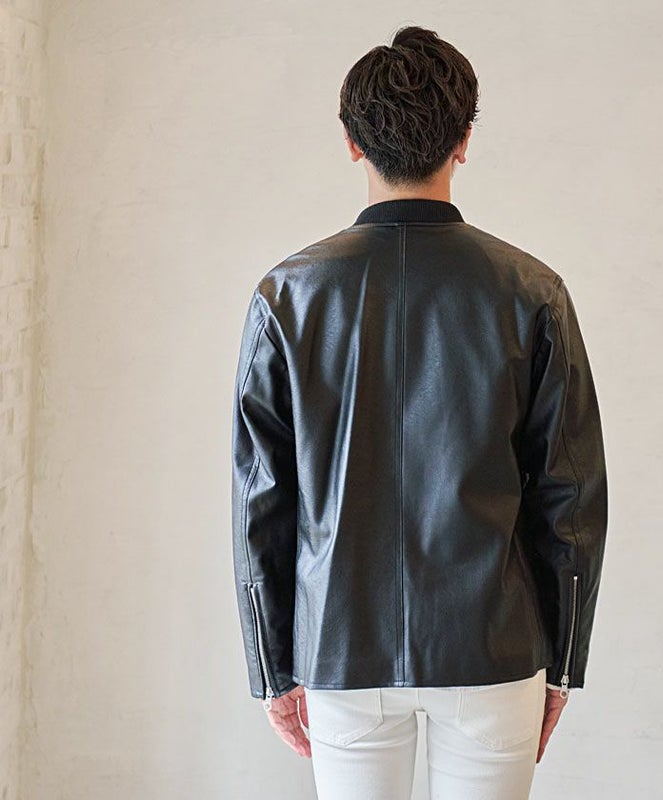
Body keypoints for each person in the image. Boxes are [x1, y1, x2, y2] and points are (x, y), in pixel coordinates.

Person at [231, 24, 608, 800]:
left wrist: (273, 667)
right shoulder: (531, 292)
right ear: (464, 141)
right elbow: (570, 498)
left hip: (341, 648)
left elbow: (261, 501)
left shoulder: (287, 296)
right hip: (492, 649)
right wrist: (563, 664)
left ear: (351, 143)